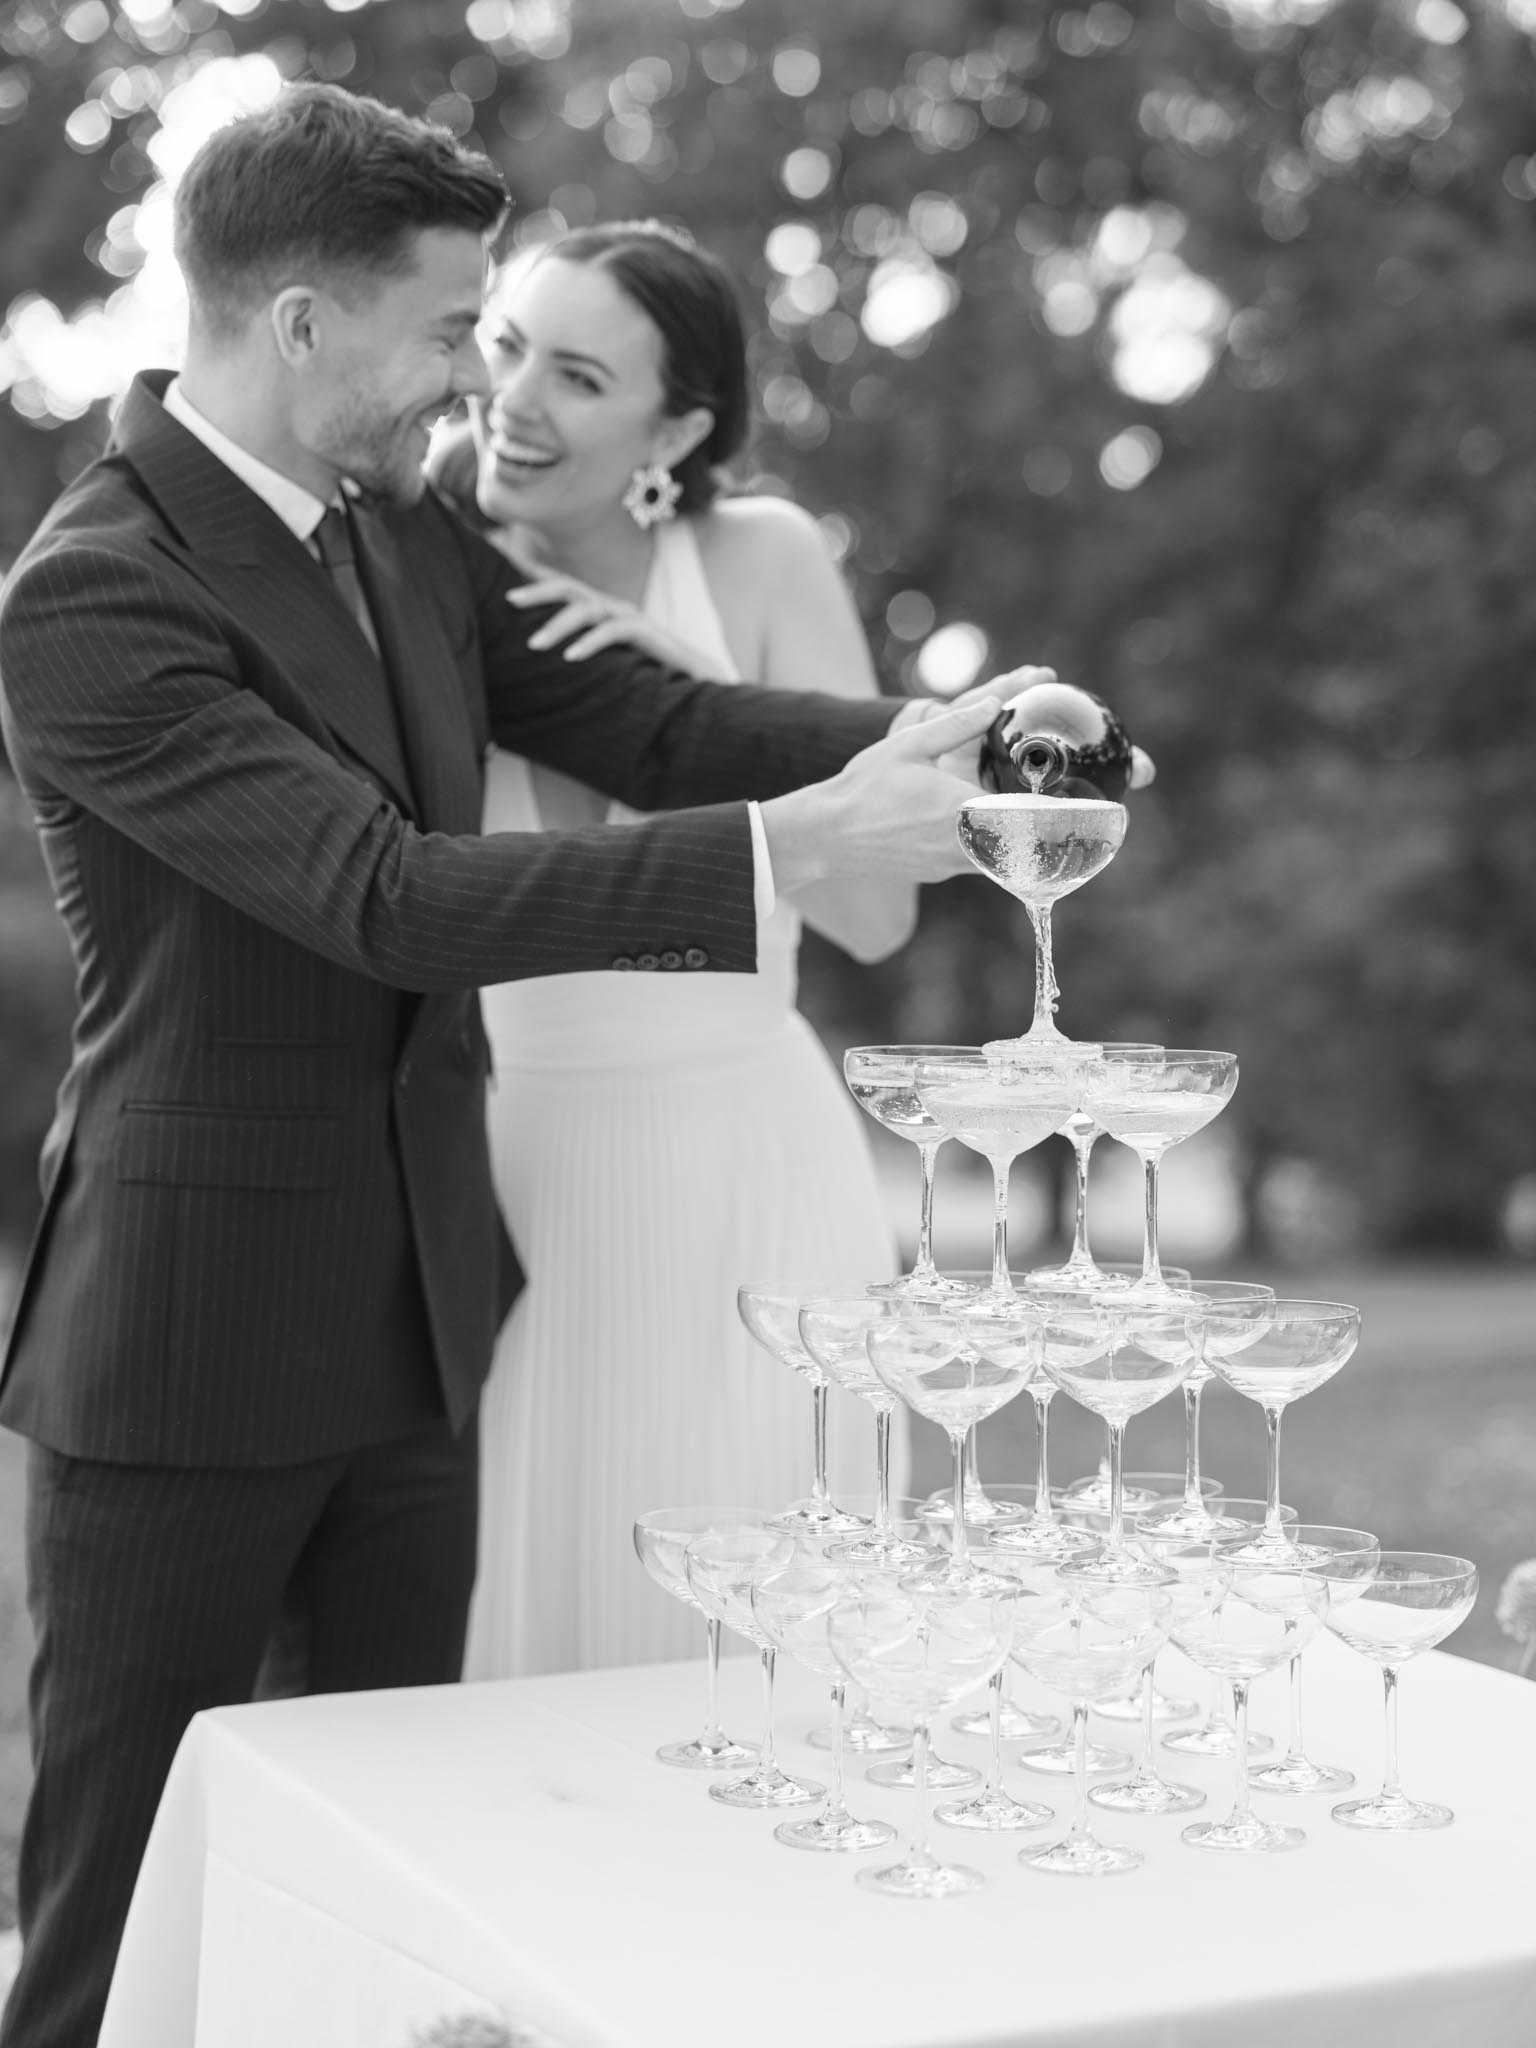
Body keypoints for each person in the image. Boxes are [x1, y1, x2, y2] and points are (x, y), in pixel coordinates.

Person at [0, 84, 1022, 2048]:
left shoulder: (400, 528)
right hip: (187, 1354)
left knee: (404, 1894)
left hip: (427, 1326)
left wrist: (961, 738)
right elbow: (381, 893)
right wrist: (779, 859)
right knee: (121, 1924)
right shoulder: (94, 591)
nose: (472, 378)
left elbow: (648, 714)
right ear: (300, 324)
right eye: (450, 327)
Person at [441, 223, 909, 1678]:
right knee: (531, 1601)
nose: (515, 401)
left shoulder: (756, 560)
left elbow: (871, 913)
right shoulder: (419, 567)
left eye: (578, 376)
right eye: (506, 346)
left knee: (755, 1607)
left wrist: (695, 704)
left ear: (679, 426)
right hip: (519, 1162)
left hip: (747, 1162)